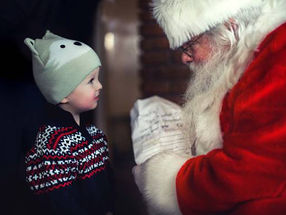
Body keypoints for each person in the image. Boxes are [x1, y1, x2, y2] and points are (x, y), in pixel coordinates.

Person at [132, 0, 286, 214]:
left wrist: (165, 180)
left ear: (229, 27)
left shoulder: (278, 55)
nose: (185, 58)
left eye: (189, 45)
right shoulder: (251, 58)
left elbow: (248, 172)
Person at [24, 30, 113, 215]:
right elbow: (63, 203)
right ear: (63, 93)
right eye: (91, 81)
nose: (100, 86)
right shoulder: (53, 145)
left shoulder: (95, 135)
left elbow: (108, 186)